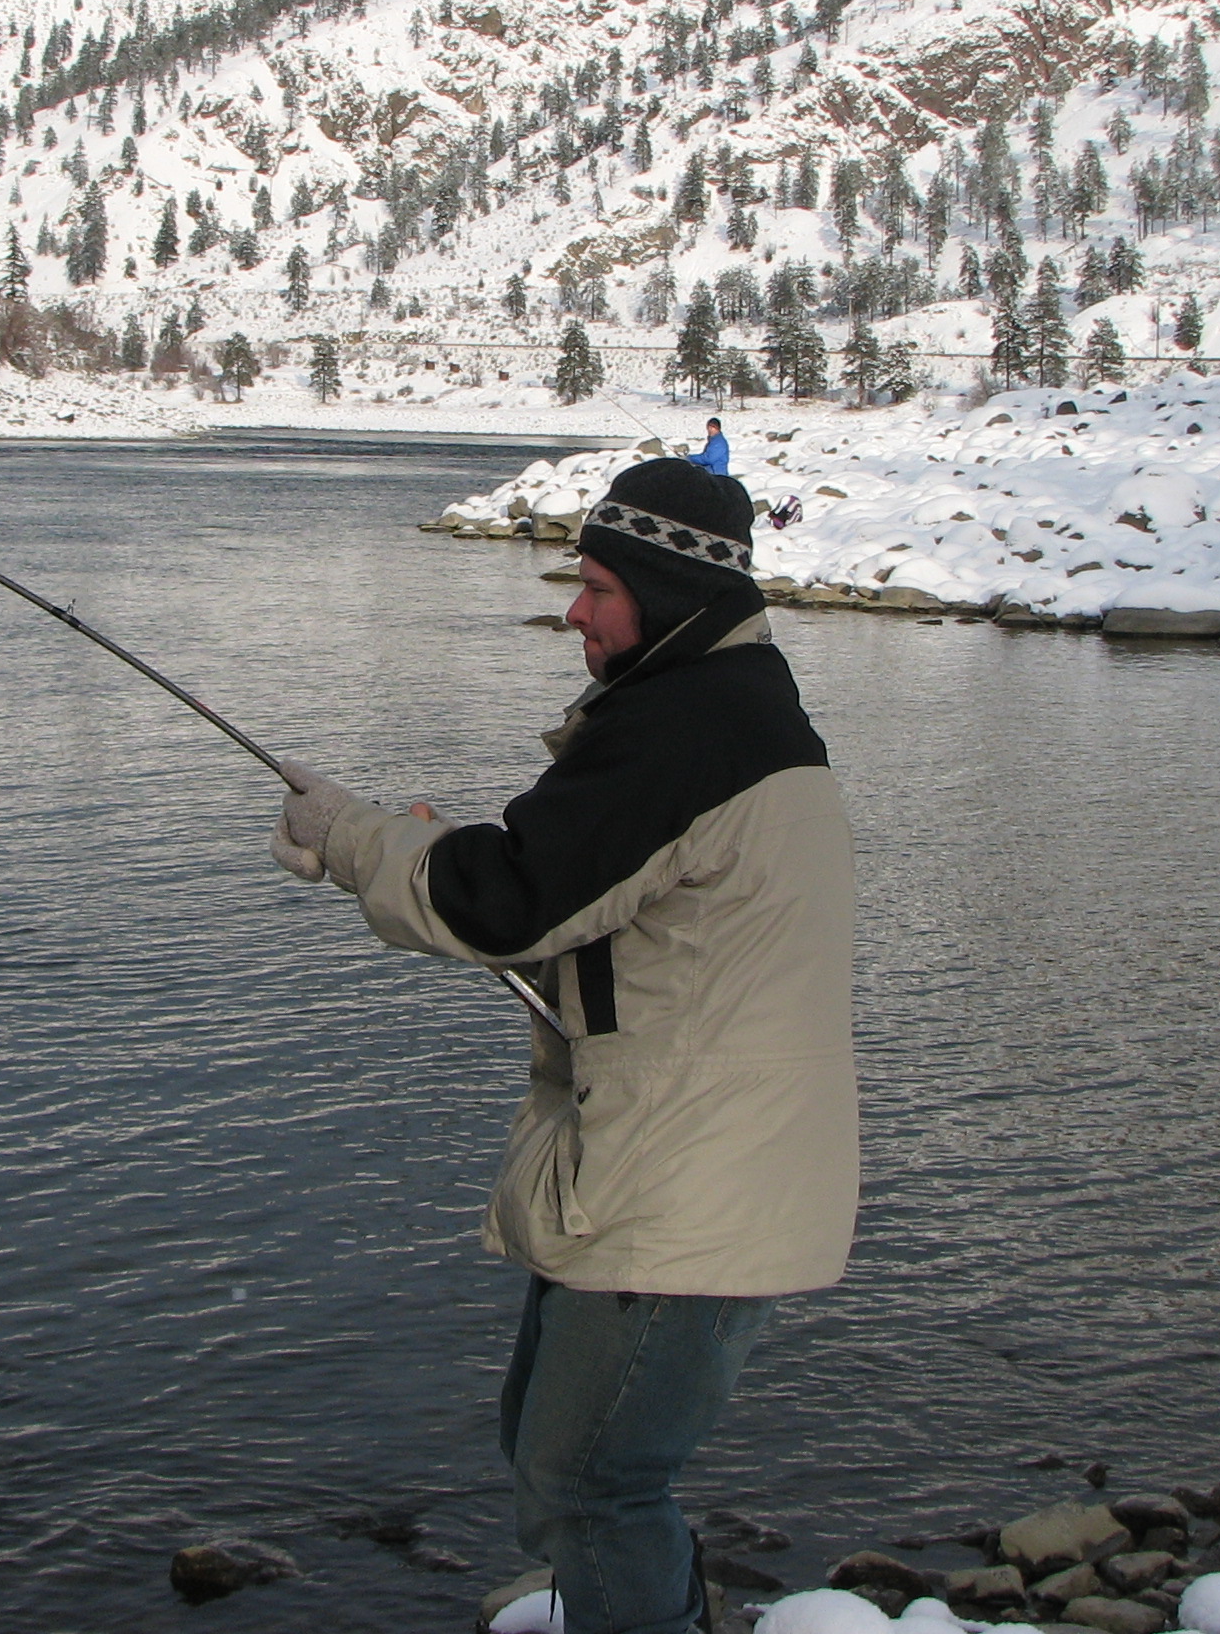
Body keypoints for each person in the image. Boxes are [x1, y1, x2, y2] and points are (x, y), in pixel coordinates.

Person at [273, 457, 857, 1634]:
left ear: (666, 594)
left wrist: (352, 838)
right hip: (687, 1160)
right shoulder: (728, 706)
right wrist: (435, 855)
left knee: (590, 1481)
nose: (575, 612)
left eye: (596, 587)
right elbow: (598, 907)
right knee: (556, 1454)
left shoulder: (685, 727)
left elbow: (510, 903)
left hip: (687, 1181)